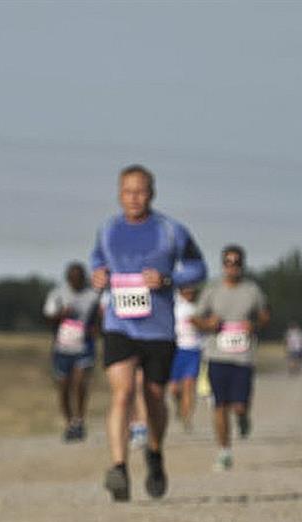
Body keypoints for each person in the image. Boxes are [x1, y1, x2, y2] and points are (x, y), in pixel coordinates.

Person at [90, 165, 207, 501]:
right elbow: (96, 262)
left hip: (158, 328)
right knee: (123, 393)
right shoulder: (108, 229)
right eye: (128, 191)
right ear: (119, 194)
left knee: (154, 397)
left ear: (151, 194)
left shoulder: (171, 231)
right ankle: (119, 467)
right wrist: (97, 275)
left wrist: (169, 280)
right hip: (119, 325)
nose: (134, 198)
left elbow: (198, 267)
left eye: (140, 191)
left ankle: (154, 454)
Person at [192, 245, 270, 470]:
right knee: (220, 406)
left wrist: (254, 325)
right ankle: (224, 451)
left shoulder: (252, 290)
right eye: (228, 262)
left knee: (238, 406)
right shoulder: (212, 289)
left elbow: (265, 315)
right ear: (223, 264)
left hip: (243, 357)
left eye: (236, 262)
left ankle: (243, 418)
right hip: (217, 355)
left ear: (242, 265)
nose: (232, 267)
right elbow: (195, 318)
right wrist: (208, 324)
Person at [42, 262, 100, 441]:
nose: (76, 281)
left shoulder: (92, 296)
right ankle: (69, 423)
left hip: (84, 347)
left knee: (80, 382)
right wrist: (61, 314)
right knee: (64, 387)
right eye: (73, 278)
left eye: (80, 278)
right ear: (68, 279)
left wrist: (96, 330)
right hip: (62, 348)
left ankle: (80, 420)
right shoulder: (57, 294)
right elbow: (48, 317)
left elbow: (100, 318)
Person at [168, 285, 204, 431]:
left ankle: (187, 417)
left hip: (194, 350)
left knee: (189, 385)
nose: (190, 292)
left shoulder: (200, 306)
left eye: (192, 289)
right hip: (176, 349)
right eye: (186, 289)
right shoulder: (174, 304)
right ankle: (178, 405)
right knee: (174, 389)